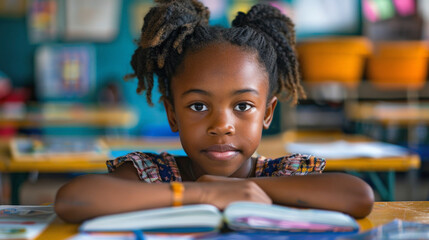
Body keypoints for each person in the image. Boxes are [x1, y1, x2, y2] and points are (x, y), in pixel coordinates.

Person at [55, 0, 374, 223]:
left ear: (267, 112)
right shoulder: (155, 174)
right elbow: (74, 199)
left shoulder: (280, 173)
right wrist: (204, 193)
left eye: (243, 106)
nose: (222, 125)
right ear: (172, 113)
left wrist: (241, 190)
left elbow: (358, 196)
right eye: (198, 106)